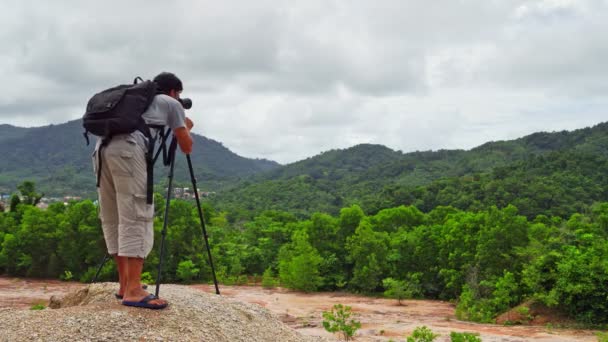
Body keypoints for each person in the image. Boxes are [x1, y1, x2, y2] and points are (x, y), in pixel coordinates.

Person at [93, 72, 194, 309]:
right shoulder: (169, 103)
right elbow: (186, 146)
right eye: (178, 95)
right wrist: (186, 126)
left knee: (115, 216)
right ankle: (134, 291)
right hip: (128, 150)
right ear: (173, 92)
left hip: (102, 149)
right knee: (137, 215)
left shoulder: (135, 101)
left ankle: (124, 284)